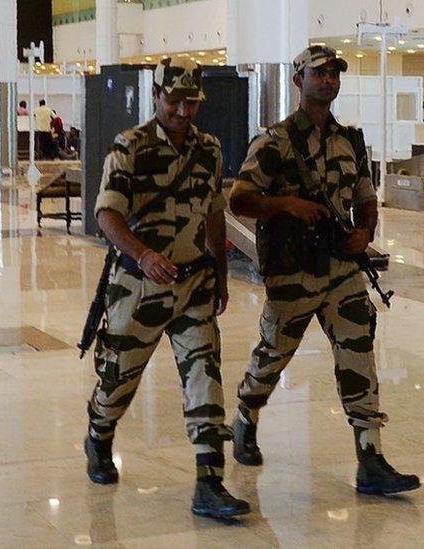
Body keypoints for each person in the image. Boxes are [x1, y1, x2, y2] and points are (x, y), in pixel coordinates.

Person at [228, 45, 421, 496]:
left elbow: (365, 196)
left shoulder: (350, 140)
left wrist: (364, 231)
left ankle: (370, 456)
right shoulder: (274, 142)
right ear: (299, 81)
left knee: (358, 354)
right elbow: (239, 199)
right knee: (274, 354)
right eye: (319, 73)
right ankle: (245, 417)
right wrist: (286, 205)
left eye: (334, 73)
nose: (329, 80)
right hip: (293, 272)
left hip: (340, 269)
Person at [85, 57, 251, 519]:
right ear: (156, 95)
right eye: (174, 100)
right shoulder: (130, 146)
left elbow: (215, 211)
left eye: (191, 102)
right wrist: (143, 254)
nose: (182, 111)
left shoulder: (209, 148)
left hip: (193, 282)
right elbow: (107, 215)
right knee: (119, 379)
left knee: (205, 374)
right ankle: (99, 435)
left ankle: (209, 480)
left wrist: (219, 270)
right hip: (138, 287)